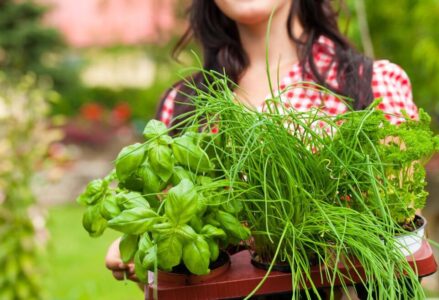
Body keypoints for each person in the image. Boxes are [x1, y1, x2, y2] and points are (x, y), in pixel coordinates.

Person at [106, 0, 418, 289]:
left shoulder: (371, 85)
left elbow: (401, 235)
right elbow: (177, 260)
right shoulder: (184, 103)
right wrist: (145, 247)